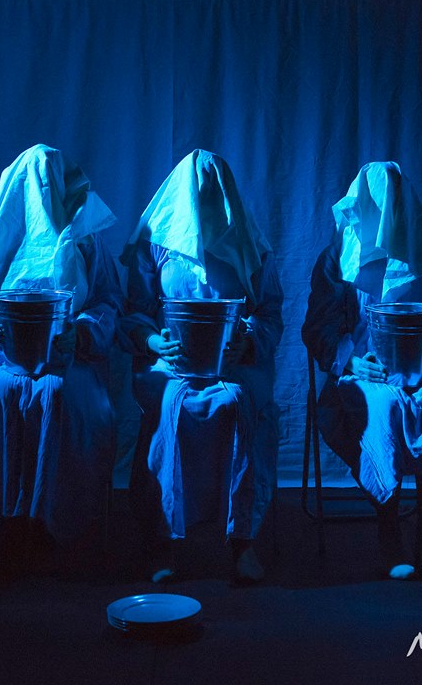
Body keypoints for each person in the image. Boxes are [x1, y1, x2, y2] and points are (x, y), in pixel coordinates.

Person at [121, 150, 283, 583]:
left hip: (233, 368)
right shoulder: (156, 243)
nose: (206, 198)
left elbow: (269, 313)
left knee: (235, 404)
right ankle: (163, 540)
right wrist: (154, 341)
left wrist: (247, 338)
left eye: (214, 191)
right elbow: (135, 311)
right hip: (171, 365)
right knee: (173, 407)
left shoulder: (249, 245)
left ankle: (242, 541)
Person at [0, 144, 122, 577]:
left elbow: (108, 301)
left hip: (72, 360)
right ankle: (6, 518)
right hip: (6, 359)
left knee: (57, 395)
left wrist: (80, 332)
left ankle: (53, 522)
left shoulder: (86, 236)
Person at [303, 162, 422, 580]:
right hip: (363, 376)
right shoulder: (338, 258)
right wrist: (350, 359)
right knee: (383, 409)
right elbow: (318, 327)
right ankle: (389, 531)